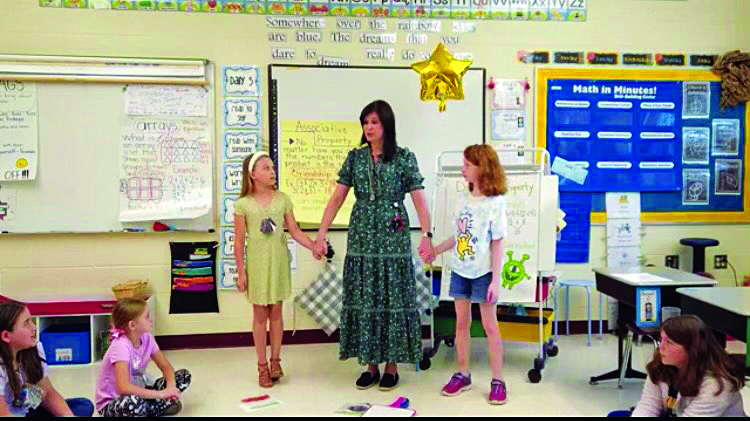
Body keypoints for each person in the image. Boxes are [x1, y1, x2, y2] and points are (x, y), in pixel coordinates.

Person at [314, 100, 433, 391]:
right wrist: (321, 232)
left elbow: (418, 198)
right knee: (366, 295)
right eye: (365, 122)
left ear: (386, 125)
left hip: (393, 237)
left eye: (374, 122)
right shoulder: (354, 158)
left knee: (392, 296)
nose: (369, 127)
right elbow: (337, 198)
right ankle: (370, 365)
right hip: (362, 236)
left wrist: (427, 235)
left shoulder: (404, 157)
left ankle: (391, 366)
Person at [234, 151, 320, 388]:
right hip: (257, 264)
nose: (272, 172)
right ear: (252, 175)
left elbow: (294, 231)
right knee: (260, 316)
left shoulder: (282, 199)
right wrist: (241, 272)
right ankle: (261, 366)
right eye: (266, 168)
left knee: (277, 314)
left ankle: (275, 362)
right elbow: (239, 242)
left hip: (278, 262)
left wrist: (314, 245)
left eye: (273, 168)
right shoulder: (243, 204)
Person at [430, 144, 509, 405]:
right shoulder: (463, 200)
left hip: (483, 272)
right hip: (460, 270)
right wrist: (437, 250)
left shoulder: (495, 203)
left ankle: (498, 380)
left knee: (489, 326)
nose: (462, 169)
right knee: (461, 324)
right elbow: (461, 236)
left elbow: (497, 243)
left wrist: (496, 280)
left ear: (482, 168)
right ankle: (462, 374)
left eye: (467, 165)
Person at [609, 315, 746, 417]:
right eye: (661, 339)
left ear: (692, 349)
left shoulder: (717, 384)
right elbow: (647, 407)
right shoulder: (661, 365)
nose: (661, 347)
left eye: (669, 342)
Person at [95, 298, 191, 417]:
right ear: (132, 325)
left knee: (183, 376)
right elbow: (123, 388)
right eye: (146, 317)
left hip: (139, 390)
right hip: (115, 401)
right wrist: (161, 395)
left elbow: (166, 367)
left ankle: (151, 406)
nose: (150, 320)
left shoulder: (147, 338)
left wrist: (170, 388)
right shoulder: (120, 346)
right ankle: (156, 406)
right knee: (134, 403)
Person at [0, 299, 94, 417]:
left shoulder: (34, 348)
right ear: (6, 336)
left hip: (24, 409)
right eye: (26, 323)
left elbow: (48, 391)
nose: (33, 327)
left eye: (31, 321)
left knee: (83, 405)